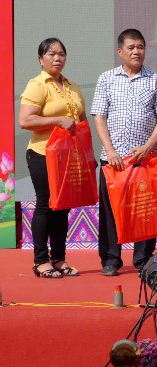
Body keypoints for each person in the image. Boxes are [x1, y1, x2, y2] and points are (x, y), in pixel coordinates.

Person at [92, 29, 157, 276]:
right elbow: (99, 116)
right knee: (110, 212)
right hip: (113, 160)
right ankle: (111, 260)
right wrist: (110, 150)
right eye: (131, 47)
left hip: (144, 160)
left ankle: (143, 260)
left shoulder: (155, 79)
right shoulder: (107, 78)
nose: (137, 51)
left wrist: (148, 147)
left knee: (144, 211)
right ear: (120, 51)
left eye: (140, 47)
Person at [18, 38, 87, 279]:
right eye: (51, 54)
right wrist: (57, 120)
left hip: (68, 157)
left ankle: (59, 258)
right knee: (46, 204)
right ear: (41, 59)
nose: (57, 58)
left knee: (63, 207)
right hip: (41, 153)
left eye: (61, 54)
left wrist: (87, 157)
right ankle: (40, 261)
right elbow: (25, 121)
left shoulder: (73, 87)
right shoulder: (38, 85)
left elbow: (82, 123)